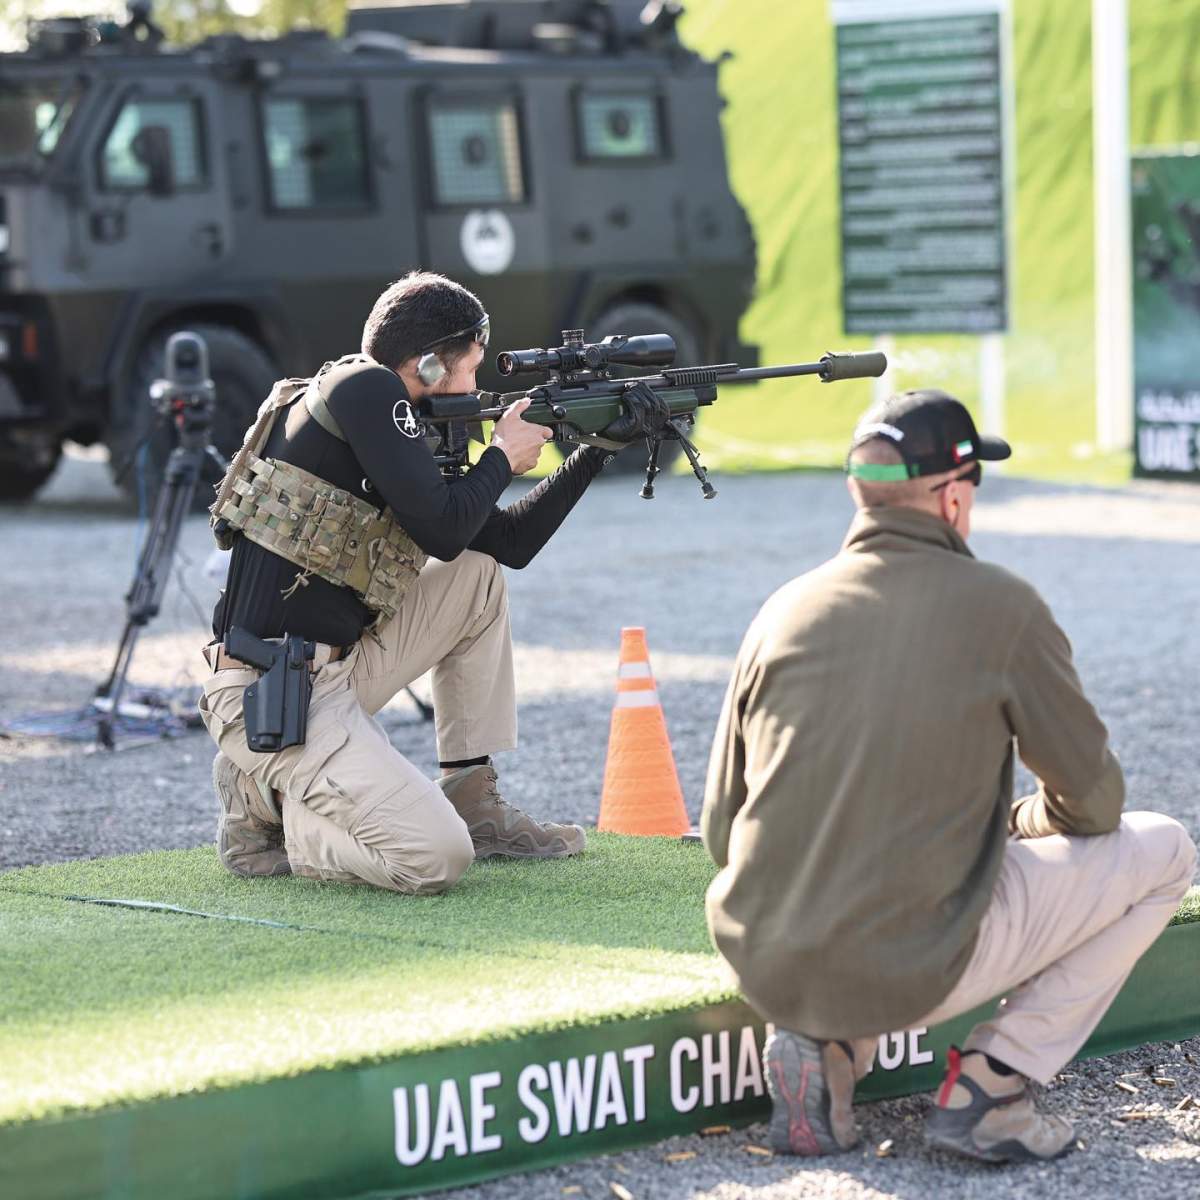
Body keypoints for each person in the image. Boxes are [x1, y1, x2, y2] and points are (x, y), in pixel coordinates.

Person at [701, 389, 1197, 1164]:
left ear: (858, 492)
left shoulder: (782, 610)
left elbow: (722, 830)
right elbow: (1096, 804)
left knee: (877, 888)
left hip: (767, 953)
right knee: (1165, 851)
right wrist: (1023, 820)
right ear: (954, 496)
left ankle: (826, 1045)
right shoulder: (1002, 605)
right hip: (915, 959)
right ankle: (993, 1087)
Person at [198, 271, 666, 894]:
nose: (476, 388)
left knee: (476, 578)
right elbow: (444, 529)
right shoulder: (365, 388)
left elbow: (503, 543)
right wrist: (501, 455)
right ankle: (272, 810)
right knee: (434, 858)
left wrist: (597, 448)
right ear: (425, 365)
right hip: (270, 697)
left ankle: (473, 800)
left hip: (335, 672)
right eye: (469, 369)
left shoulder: (383, 416)